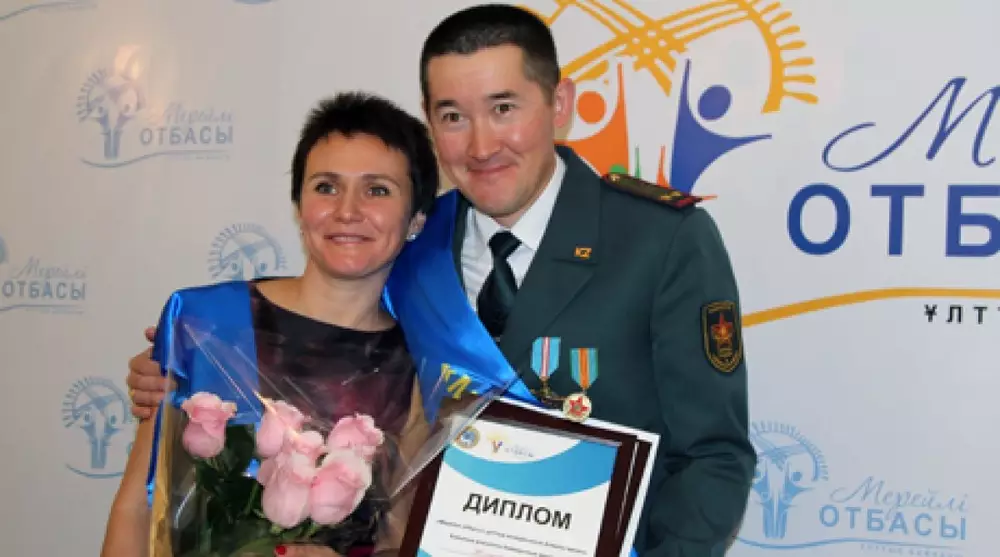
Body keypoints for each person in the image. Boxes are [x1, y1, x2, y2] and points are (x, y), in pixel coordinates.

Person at [128, 4, 756, 556]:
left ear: (559, 105)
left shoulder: (660, 240)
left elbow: (713, 456)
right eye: (453, 116)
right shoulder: (411, 240)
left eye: (503, 109)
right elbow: (320, 318)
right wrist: (190, 360)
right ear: (430, 123)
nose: (481, 146)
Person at [102, 91, 440, 557]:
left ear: (417, 218)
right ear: (299, 206)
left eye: (377, 190)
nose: (347, 210)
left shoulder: (419, 367)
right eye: (326, 187)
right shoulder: (204, 321)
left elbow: (400, 540)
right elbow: (138, 508)